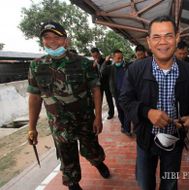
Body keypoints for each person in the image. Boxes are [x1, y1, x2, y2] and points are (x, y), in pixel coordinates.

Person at [119, 16, 189, 190]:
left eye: (168, 36)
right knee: (145, 182)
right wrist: (146, 112)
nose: (162, 42)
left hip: (174, 140)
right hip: (145, 139)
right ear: (149, 42)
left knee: (170, 183)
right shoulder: (135, 70)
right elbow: (125, 100)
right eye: (156, 37)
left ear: (177, 38)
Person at [27, 21, 110, 190]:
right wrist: (31, 127)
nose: (51, 41)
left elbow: (96, 90)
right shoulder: (36, 66)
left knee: (91, 149)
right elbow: (35, 97)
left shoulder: (84, 63)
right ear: (43, 41)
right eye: (47, 37)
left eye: (56, 37)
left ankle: (97, 162)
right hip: (58, 124)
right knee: (66, 155)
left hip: (84, 119)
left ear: (65, 40)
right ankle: (73, 183)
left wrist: (98, 118)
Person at [108, 49, 131, 136]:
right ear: (113, 58)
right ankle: (123, 125)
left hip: (126, 92)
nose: (120, 60)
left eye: (121, 58)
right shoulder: (110, 68)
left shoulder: (127, 66)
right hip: (116, 93)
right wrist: (106, 61)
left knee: (127, 110)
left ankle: (127, 129)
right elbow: (102, 72)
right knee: (120, 110)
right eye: (118, 58)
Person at [90, 47, 114, 120]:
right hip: (98, 84)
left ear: (99, 54)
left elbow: (108, 71)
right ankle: (98, 115)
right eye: (93, 56)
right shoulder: (92, 63)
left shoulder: (106, 61)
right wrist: (92, 68)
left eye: (96, 55)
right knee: (98, 100)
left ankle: (111, 113)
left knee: (109, 99)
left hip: (106, 83)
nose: (95, 57)